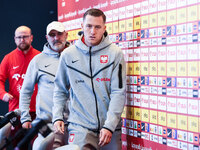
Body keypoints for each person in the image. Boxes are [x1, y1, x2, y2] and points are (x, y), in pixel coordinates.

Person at [52, 8, 126, 150]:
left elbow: (118, 93)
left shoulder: (115, 53)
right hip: (80, 127)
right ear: (82, 26)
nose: (92, 31)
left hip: (110, 129)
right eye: (89, 26)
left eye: (97, 27)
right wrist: (58, 116)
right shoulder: (68, 55)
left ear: (104, 28)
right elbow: (60, 90)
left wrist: (109, 126)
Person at [19, 21, 70, 150]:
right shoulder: (37, 60)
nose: (56, 38)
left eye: (59, 34)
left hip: (75, 124)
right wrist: (25, 118)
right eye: (52, 35)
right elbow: (26, 91)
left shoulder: (76, 58)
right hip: (48, 125)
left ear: (66, 35)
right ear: (47, 38)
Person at [0, 26, 40, 147]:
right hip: (17, 112)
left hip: (37, 111)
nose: (22, 40)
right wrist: (3, 94)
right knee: (18, 145)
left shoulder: (40, 57)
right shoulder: (8, 58)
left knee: (38, 145)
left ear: (31, 38)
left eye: (25, 37)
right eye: (19, 37)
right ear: (15, 39)